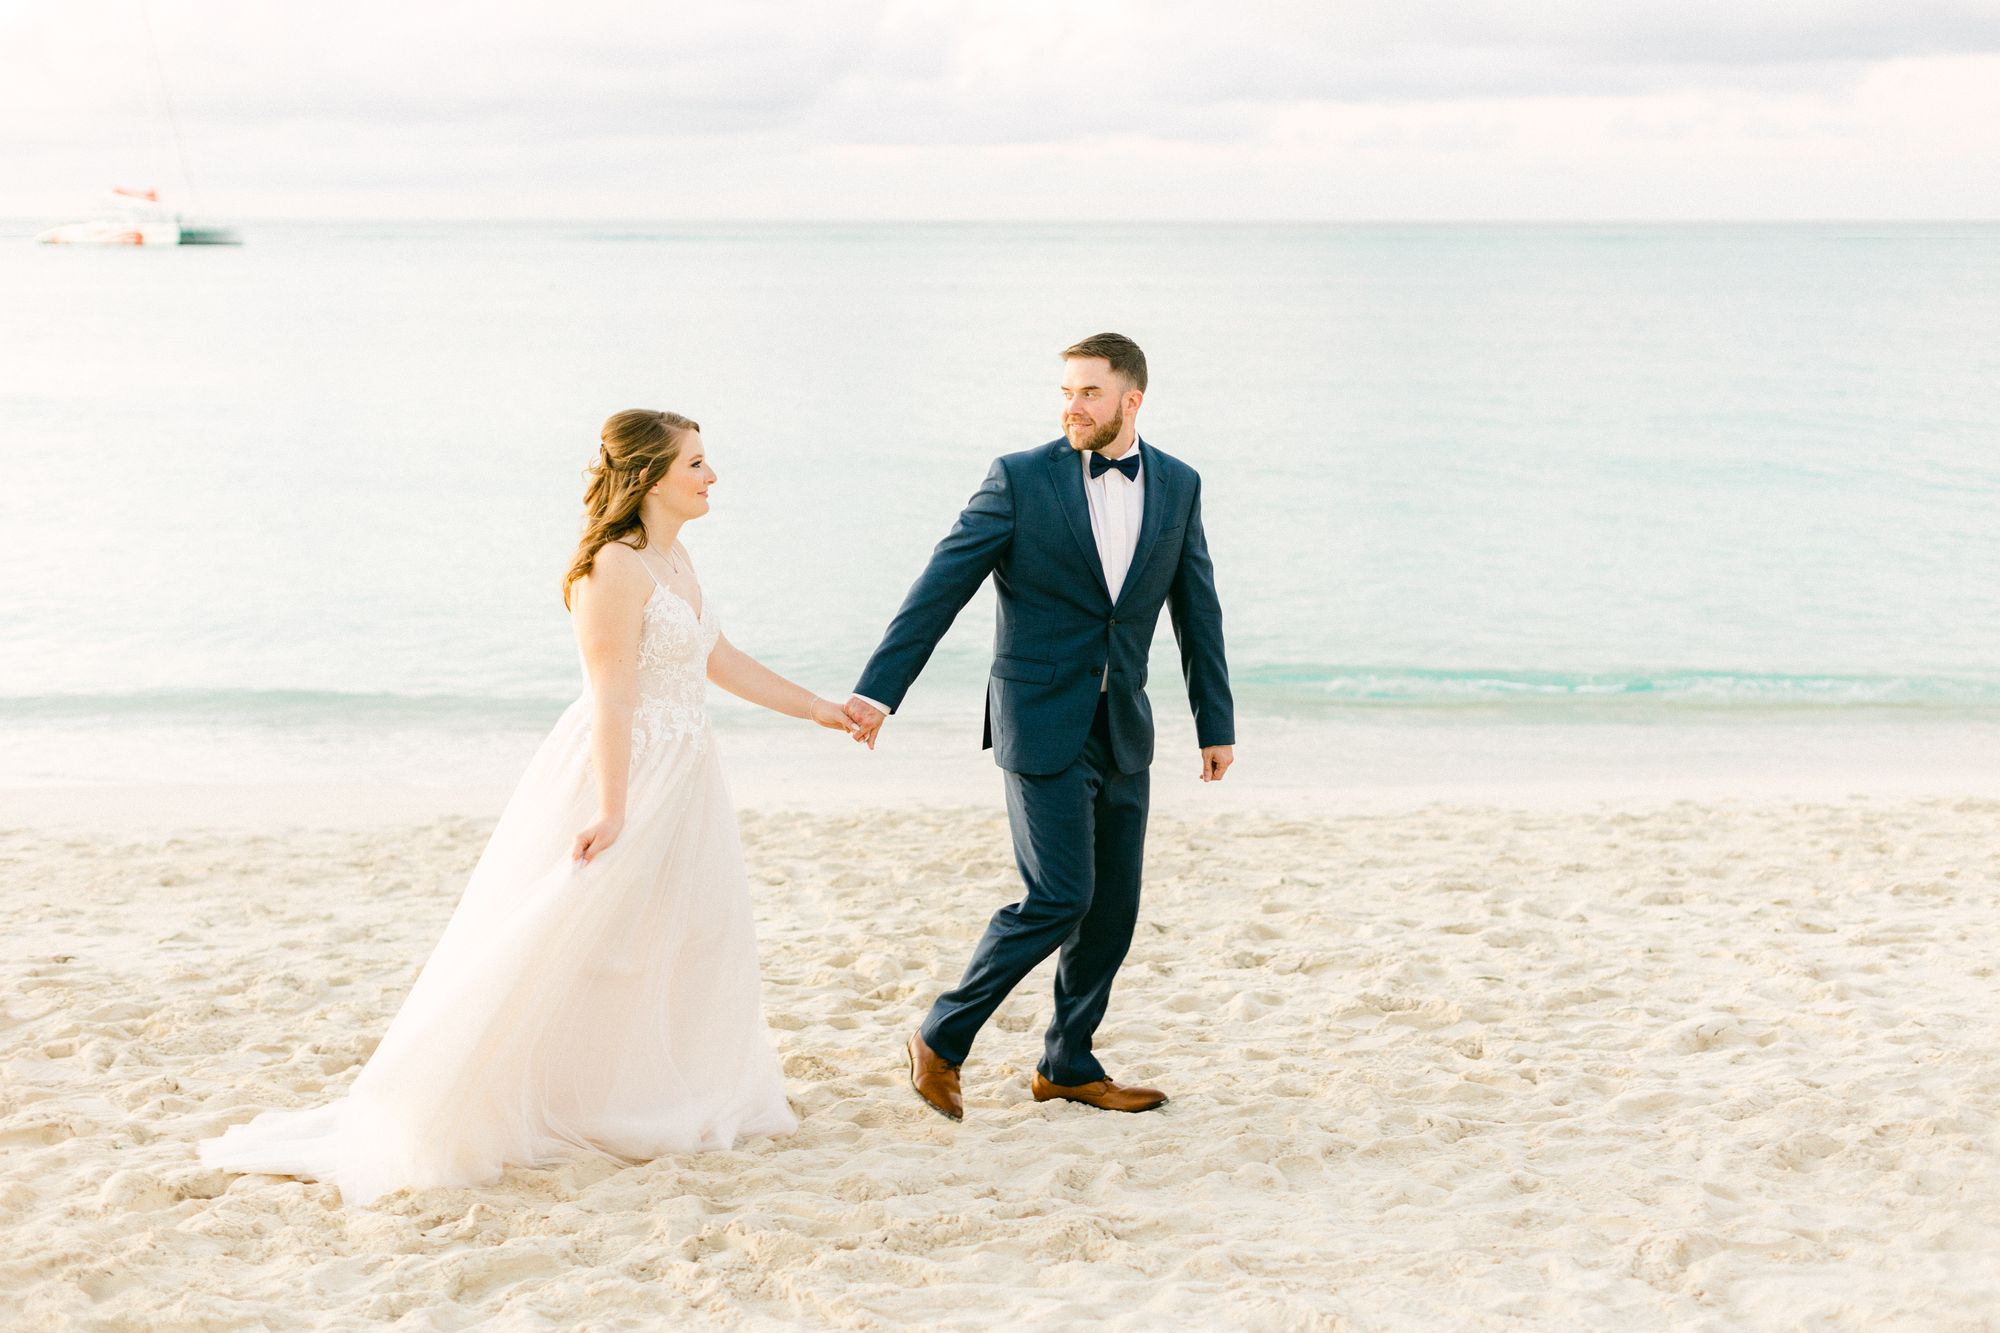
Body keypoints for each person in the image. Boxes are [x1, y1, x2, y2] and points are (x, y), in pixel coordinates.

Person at [198, 409, 854, 1205]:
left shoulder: (675, 557)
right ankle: (544, 1097)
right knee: (580, 932)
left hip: (687, 771)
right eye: (697, 464)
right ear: (650, 476)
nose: (711, 477)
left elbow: (716, 658)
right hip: (628, 769)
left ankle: (647, 1090)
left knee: (682, 933)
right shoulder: (613, 567)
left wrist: (819, 708)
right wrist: (613, 810)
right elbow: (613, 697)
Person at [846, 333, 1235, 1121]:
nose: (1072, 406)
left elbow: (1198, 607)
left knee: (1113, 906)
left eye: (1089, 392)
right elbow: (940, 586)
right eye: (1065, 391)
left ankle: (1067, 1060)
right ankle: (941, 1036)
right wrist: (879, 693)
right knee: (1060, 893)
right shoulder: (1020, 479)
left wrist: (1213, 721)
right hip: (1039, 719)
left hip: (1123, 724)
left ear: (1132, 399)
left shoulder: (1180, 484)